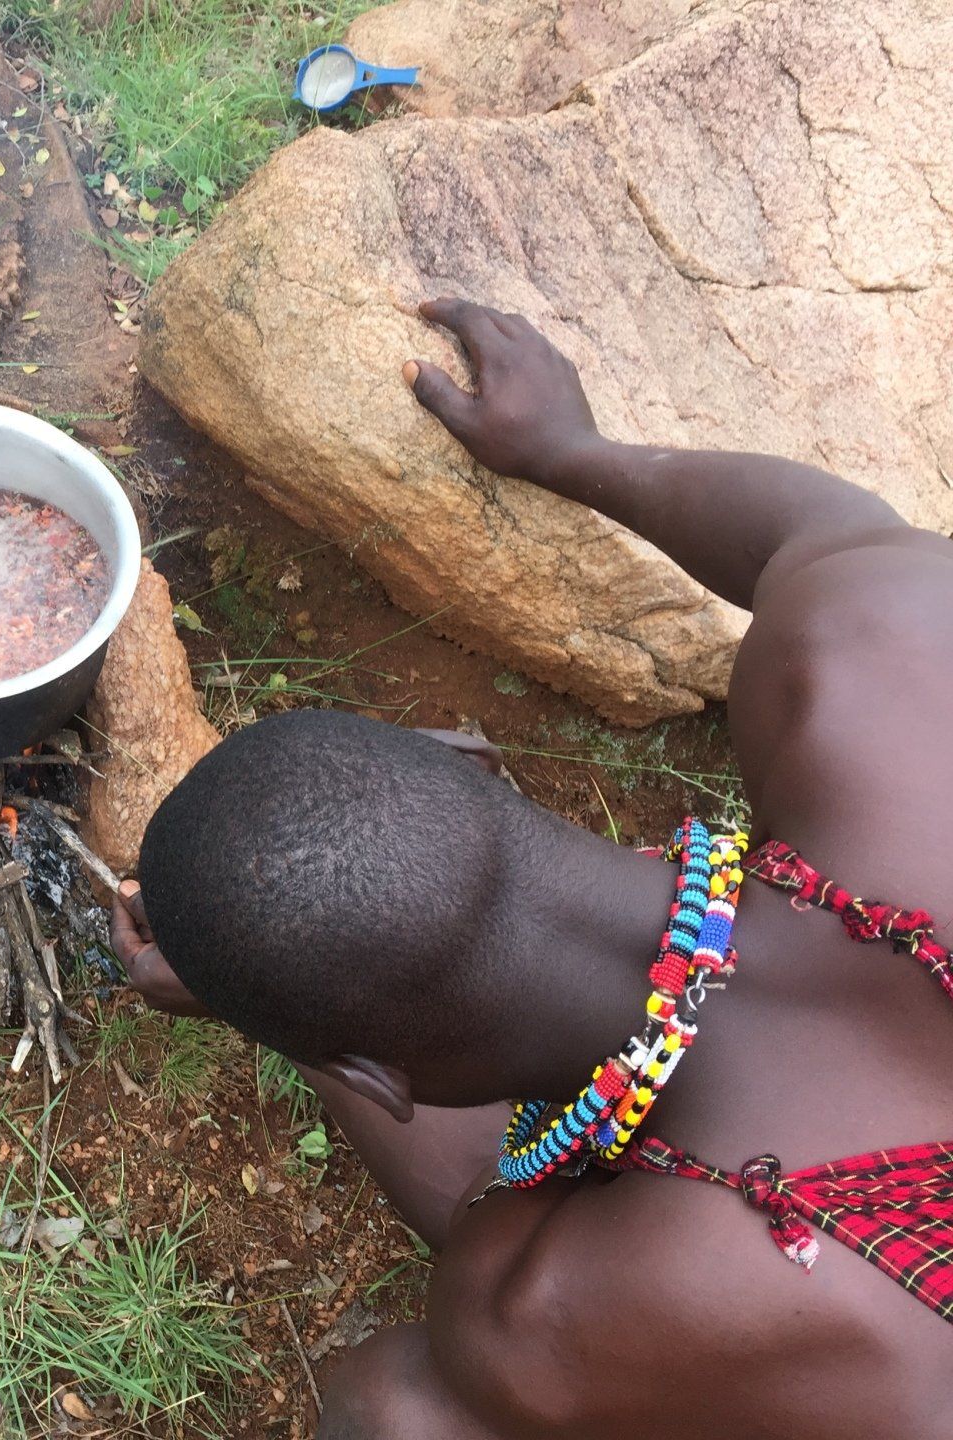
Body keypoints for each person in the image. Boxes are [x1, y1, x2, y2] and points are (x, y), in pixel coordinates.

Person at [110, 300, 953, 1438]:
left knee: (393, 1407)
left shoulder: (559, 1305)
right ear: (462, 749)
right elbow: (812, 527)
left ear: (373, 1076)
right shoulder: (877, 667)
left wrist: (275, 1019)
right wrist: (578, 456)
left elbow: (484, 1216)